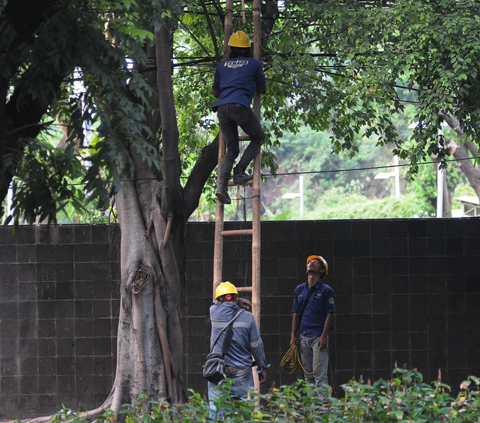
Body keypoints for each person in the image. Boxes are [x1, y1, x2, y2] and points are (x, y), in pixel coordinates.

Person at [212, 30, 267, 205]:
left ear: (231, 49)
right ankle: (239, 172)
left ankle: (221, 186)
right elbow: (263, 89)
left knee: (232, 149)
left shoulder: (222, 65)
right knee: (258, 137)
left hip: (222, 108)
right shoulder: (254, 64)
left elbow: (215, 92)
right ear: (248, 49)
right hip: (239, 107)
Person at [208, 281, 269, 411]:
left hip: (218, 370)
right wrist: (262, 367)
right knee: (244, 412)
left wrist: (238, 300)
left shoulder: (213, 312)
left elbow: (216, 302)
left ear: (219, 300)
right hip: (242, 372)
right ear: (235, 297)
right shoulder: (248, 318)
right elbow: (256, 346)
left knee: (216, 411)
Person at [290, 255, 335, 398]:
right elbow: (296, 313)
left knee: (320, 376)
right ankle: (312, 409)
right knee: (307, 375)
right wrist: (293, 335)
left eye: (315, 263)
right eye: (309, 262)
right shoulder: (299, 290)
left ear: (321, 270)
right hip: (303, 337)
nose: (310, 263)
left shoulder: (326, 290)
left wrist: (323, 336)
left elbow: (330, 314)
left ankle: (322, 411)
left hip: (318, 338)